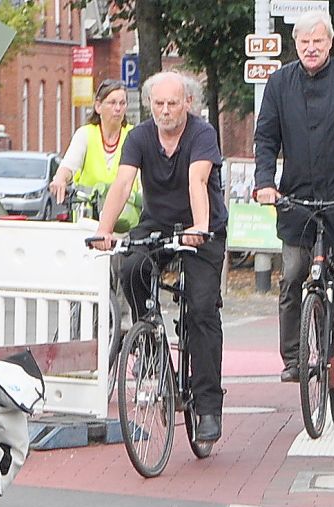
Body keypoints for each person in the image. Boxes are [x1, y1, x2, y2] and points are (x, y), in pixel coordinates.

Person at [91, 71, 227, 442]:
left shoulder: (201, 134)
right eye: (158, 104)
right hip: (158, 223)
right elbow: (122, 184)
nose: (165, 111)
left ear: (188, 103)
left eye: (172, 103)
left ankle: (208, 405)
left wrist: (199, 227)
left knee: (200, 310)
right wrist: (105, 230)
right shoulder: (138, 137)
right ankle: (149, 340)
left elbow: (197, 180)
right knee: (130, 265)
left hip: (201, 228)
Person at [253, 11, 334, 384]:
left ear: (330, 42)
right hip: (298, 199)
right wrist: (266, 182)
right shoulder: (279, 84)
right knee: (292, 275)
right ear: (295, 45)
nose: (311, 48)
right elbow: (265, 139)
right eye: (304, 42)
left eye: (318, 41)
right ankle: (293, 356)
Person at [48, 79, 141, 232]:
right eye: (112, 103)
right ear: (98, 106)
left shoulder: (134, 135)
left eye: (122, 103)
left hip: (126, 221)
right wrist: (60, 178)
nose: (118, 108)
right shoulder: (85, 134)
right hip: (88, 218)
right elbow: (69, 165)